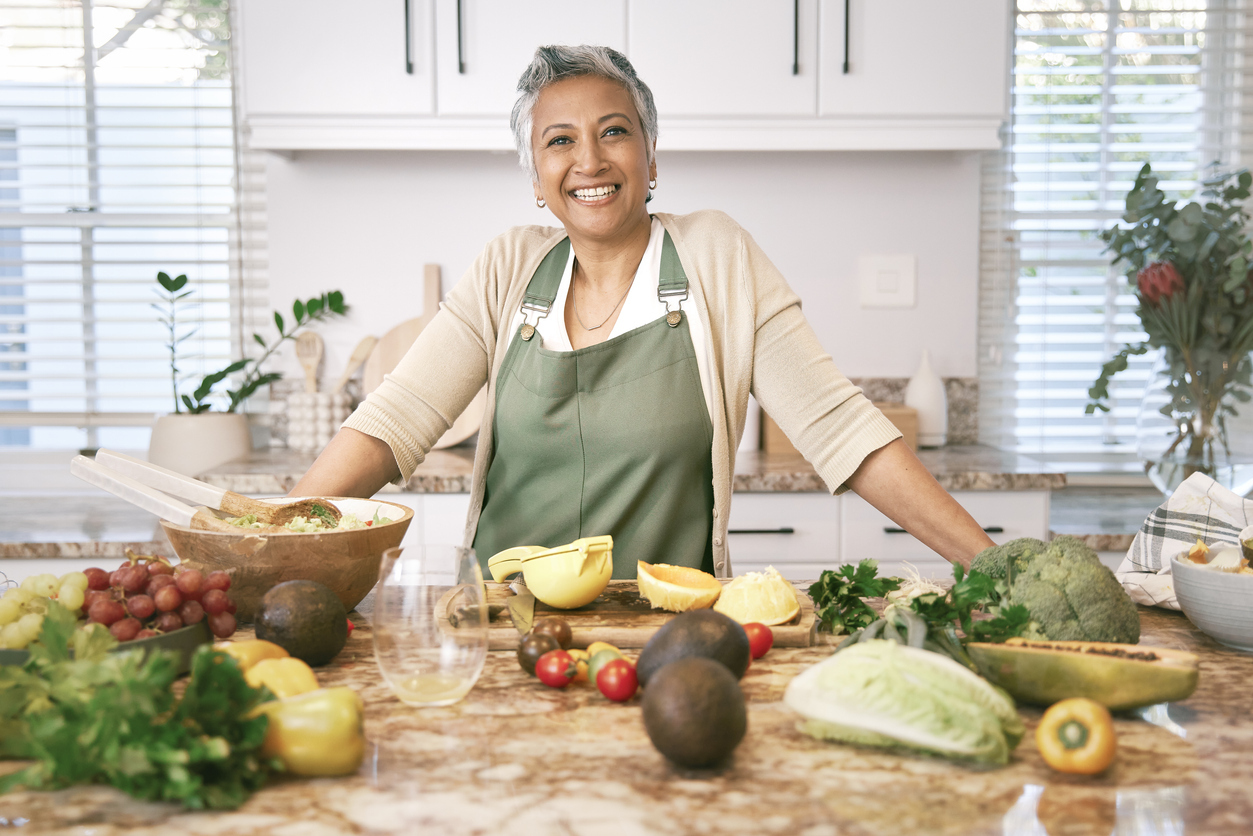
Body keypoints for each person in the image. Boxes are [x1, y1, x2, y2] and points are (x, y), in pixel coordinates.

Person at [292, 45, 994, 579]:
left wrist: (997, 573)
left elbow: (842, 431)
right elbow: (393, 421)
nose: (589, 160)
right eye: (559, 140)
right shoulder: (508, 267)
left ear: (651, 157)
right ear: (536, 178)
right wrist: (264, 537)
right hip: (504, 633)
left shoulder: (717, 258)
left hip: (669, 634)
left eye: (614, 132)